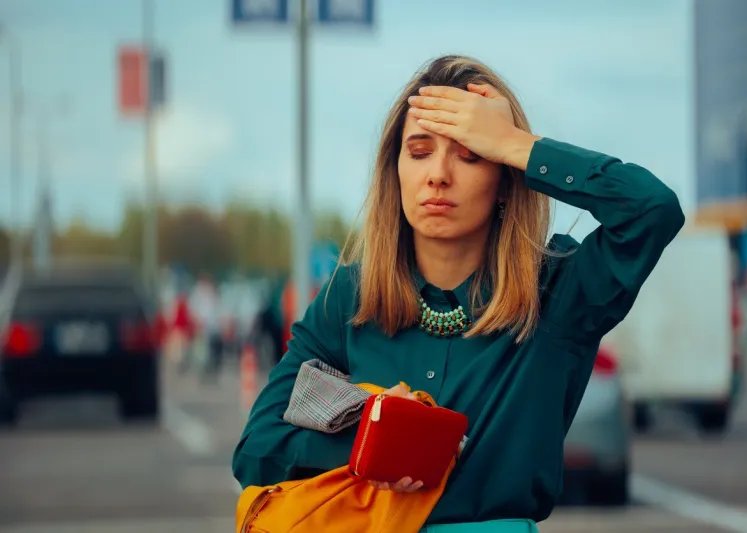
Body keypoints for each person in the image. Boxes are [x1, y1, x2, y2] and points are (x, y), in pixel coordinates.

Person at [232, 55, 685, 531]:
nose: (439, 175)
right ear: (397, 171)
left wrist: (518, 145)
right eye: (420, 151)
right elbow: (257, 449)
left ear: (506, 180)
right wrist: (371, 441)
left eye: (471, 153)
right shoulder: (349, 296)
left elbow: (652, 210)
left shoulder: (555, 292)